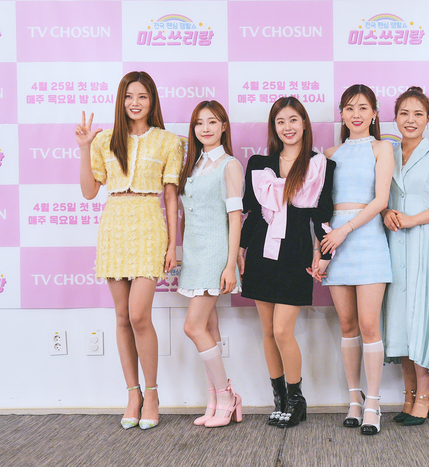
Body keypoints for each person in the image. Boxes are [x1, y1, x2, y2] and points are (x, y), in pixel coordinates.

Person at [76, 71, 183, 430]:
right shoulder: (105, 140)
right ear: (121, 101)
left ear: (152, 101)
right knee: (122, 316)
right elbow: (89, 191)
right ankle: (132, 394)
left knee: (139, 316)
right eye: (129, 96)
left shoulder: (169, 141)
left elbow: (171, 197)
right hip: (114, 226)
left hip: (149, 225)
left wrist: (173, 243)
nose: (135, 103)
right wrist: (84, 147)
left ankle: (152, 393)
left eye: (142, 96)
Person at [239, 97, 335, 428]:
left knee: (282, 330)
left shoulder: (320, 165)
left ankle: (296, 399)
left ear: (304, 123)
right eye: (280, 121)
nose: (287, 127)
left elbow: (322, 215)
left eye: (293, 120)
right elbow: (252, 213)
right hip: (260, 254)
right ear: (274, 127)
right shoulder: (259, 164)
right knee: (268, 331)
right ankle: (279, 399)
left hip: (295, 253)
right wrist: (240, 248)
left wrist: (324, 254)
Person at [319, 84, 394, 436]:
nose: (356, 114)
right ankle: (354, 399)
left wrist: (345, 230)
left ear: (374, 113)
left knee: (369, 325)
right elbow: (320, 206)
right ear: (341, 113)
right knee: (347, 325)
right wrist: (321, 250)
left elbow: (380, 200)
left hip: (366, 240)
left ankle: (374, 403)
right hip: (335, 243)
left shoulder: (382, 148)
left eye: (363, 108)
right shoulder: (330, 153)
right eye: (349, 108)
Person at [381, 87, 429, 426]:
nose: (410, 120)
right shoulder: (387, 153)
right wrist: (386, 212)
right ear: (395, 118)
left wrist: (413, 219)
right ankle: (408, 395)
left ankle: (424, 396)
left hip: (426, 241)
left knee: (422, 315)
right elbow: (379, 197)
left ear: (428, 119)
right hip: (393, 242)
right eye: (404, 113)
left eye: (418, 114)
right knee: (399, 317)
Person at [178, 100, 243, 428]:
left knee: (193, 327)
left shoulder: (229, 165)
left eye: (212, 122)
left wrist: (230, 265)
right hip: (194, 254)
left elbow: (235, 218)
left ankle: (228, 397)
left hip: (215, 255)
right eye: (199, 123)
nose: (205, 128)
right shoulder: (192, 165)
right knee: (209, 327)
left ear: (223, 127)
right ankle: (215, 402)